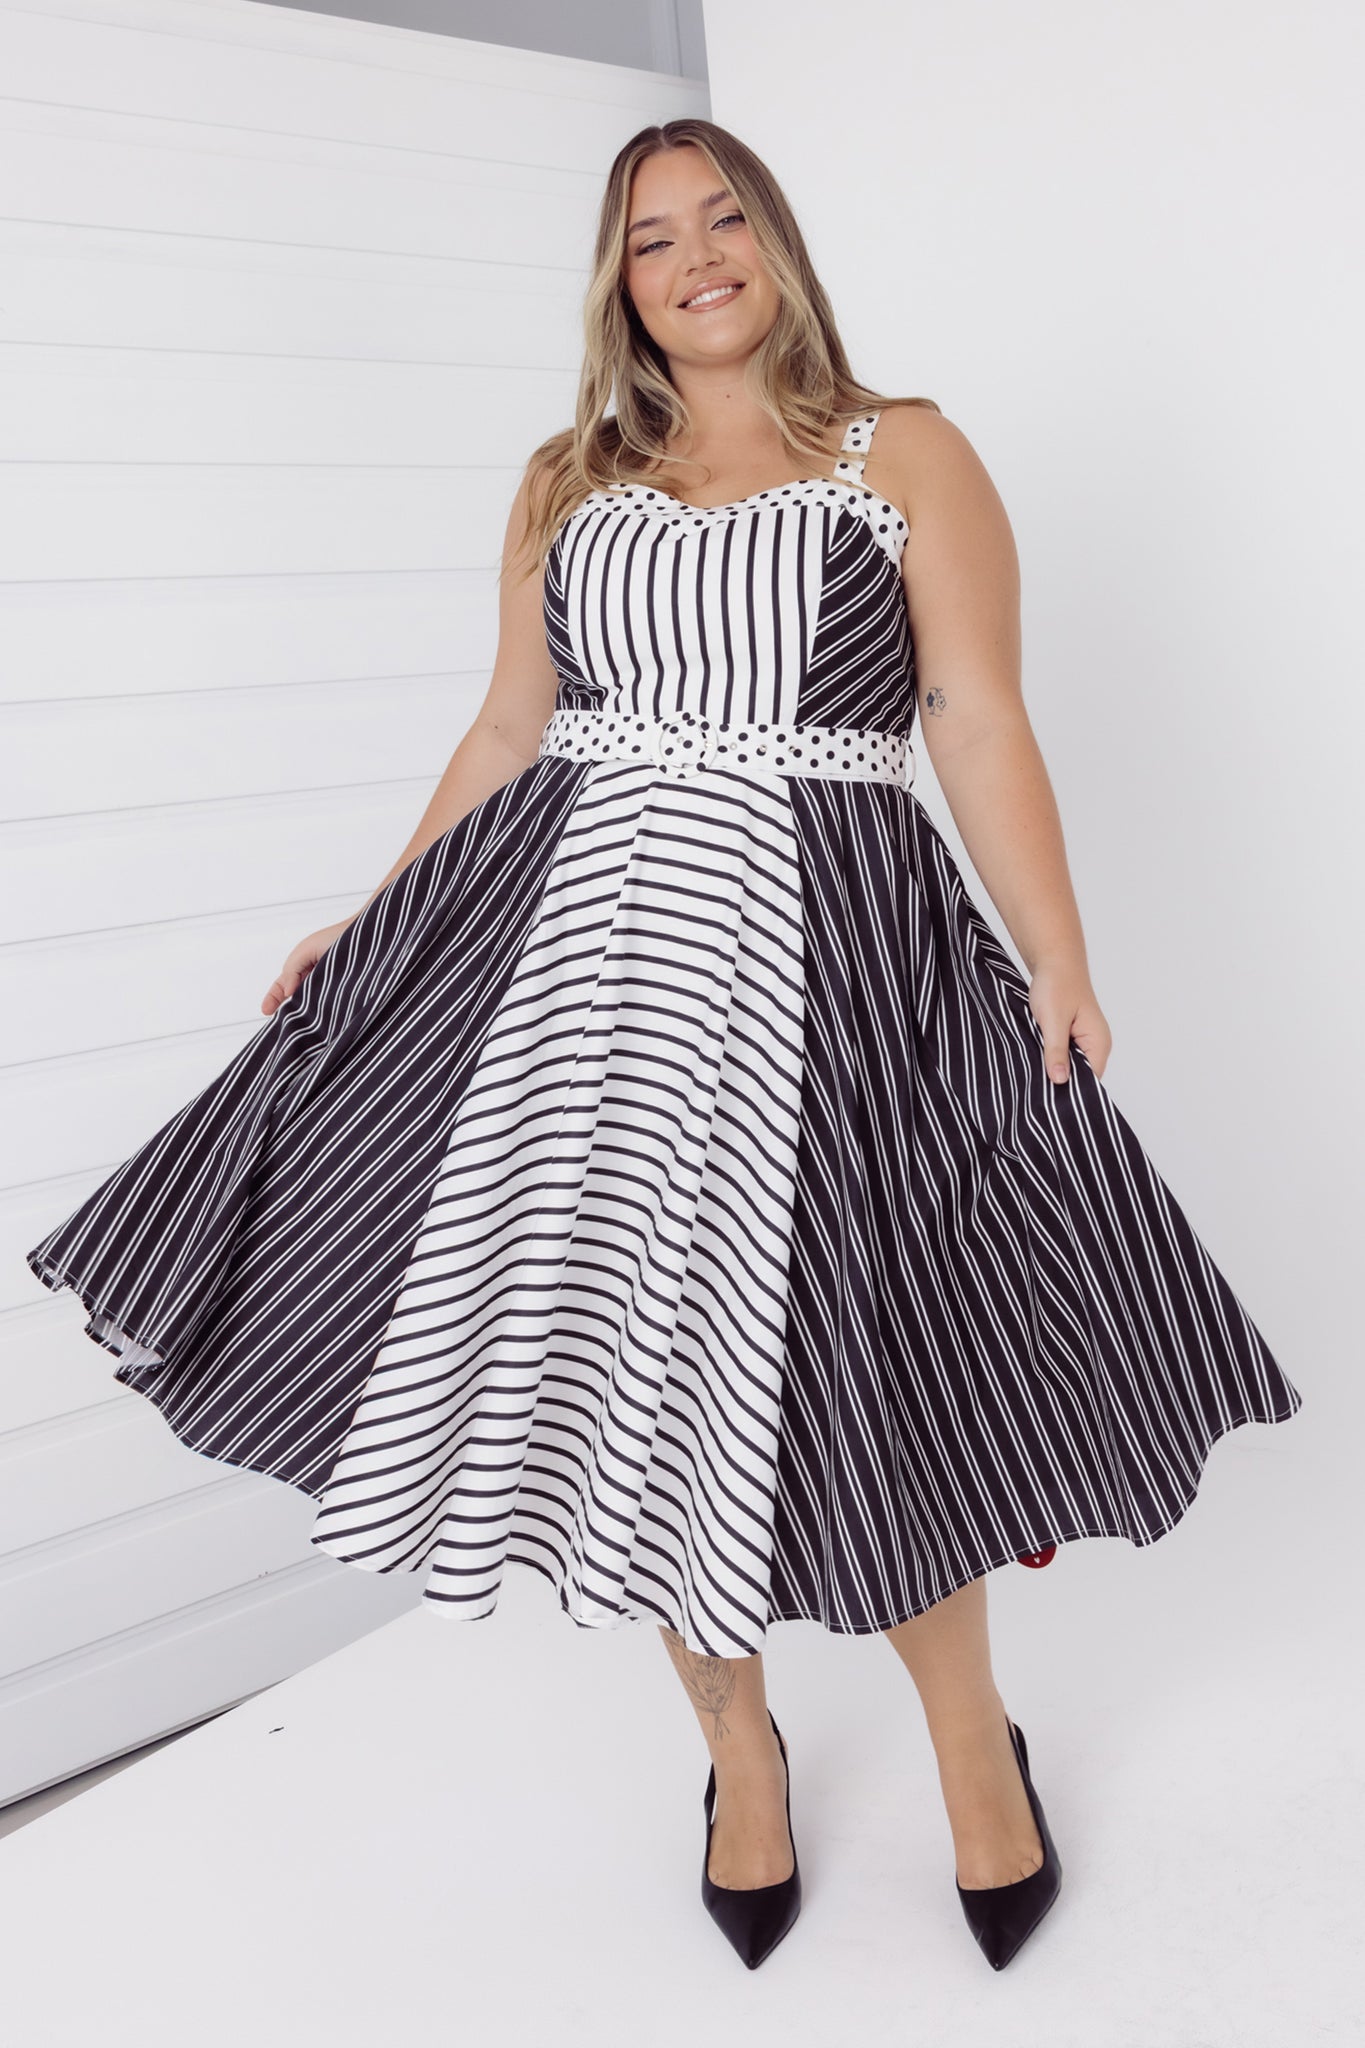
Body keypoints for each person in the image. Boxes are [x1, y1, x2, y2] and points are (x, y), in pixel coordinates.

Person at [25, 118, 1303, 1974]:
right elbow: (501, 735)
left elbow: (970, 711)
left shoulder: (905, 452)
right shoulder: (567, 477)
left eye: (724, 220)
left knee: (876, 1372)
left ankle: (971, 1751)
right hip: (574, 970)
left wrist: (1058, 953)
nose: (695, 256)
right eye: (651, 237)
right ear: (615, 282)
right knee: (629, 1373)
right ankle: (737, 1755)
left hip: (835, 960)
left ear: (775, 244)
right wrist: (373, 913)